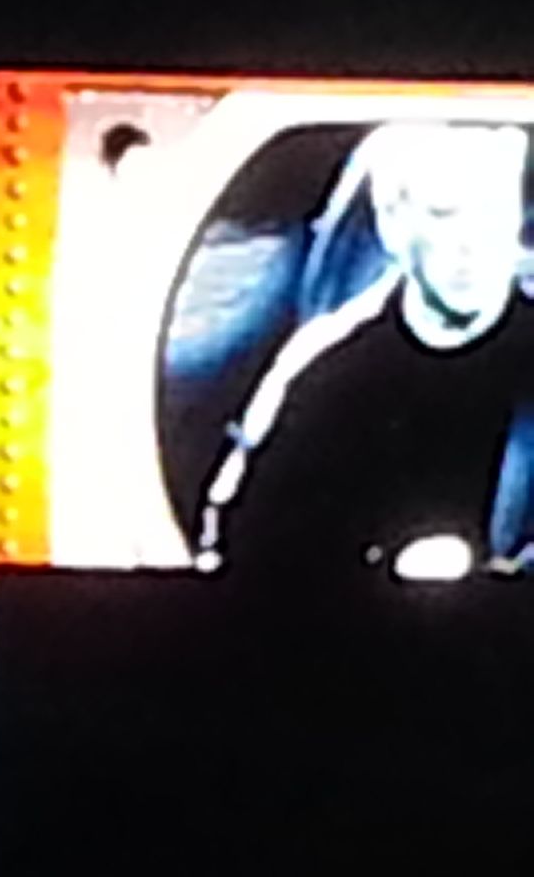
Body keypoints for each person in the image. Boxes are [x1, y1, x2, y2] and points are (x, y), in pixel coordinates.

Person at [197, 122, 534, 575]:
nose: (471, 244)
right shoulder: (322, 370)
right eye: (444, 214)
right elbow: (245, 550)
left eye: (492, 212)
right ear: (393, 227)